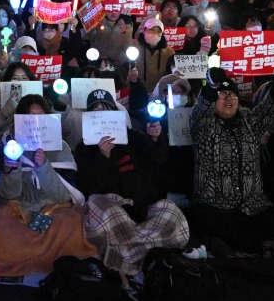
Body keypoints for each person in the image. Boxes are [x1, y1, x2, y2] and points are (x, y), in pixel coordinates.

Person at [76, 89, 190, 278]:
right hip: (112, 214)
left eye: (107, 109)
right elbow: (89, 187)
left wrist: (155, 137)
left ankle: (127, 253)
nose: (103, 115)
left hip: (140, 210)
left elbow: (158, 159)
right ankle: (148, 251)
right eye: (97, 111)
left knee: (170, 211)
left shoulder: (134, 137)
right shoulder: (84, 148)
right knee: (99, 206)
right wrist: (103, 157)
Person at [0, 94, 97, 277]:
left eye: (40, 115)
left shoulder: (61, 147)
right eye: (29, 116)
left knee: (71, 221)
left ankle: (47, 262)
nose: (35, 121)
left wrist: (43, 166)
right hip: (18, 209)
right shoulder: (7, 146)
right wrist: (10, 170)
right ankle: (32, 261)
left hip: (53, 207)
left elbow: (63, 197)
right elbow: (7, 196)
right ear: (19, 119)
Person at [188, 67, 274, 255]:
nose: (228, 99)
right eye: (222, 95)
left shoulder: (250, 122)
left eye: (232, 95)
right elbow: (201, 108)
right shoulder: (203, 126)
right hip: (215, 205)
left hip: (253, 205)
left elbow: (268, 109)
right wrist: (211, 87)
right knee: (210, 224)